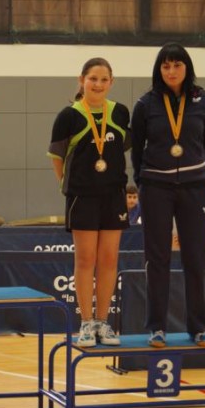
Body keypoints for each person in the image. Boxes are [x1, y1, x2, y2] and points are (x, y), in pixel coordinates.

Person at [130, 43, 205, 348]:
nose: (171, 71)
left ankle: (198, 327)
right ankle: (157, 327)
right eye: (165, 66)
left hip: (194, 188)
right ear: (159, 69)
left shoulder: (203, 100)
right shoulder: (146, 103)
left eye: (177, 65)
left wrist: (196, 171)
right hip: (156, 188)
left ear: (187, 67)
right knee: (158, 259)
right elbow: (137, 147)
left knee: (196, 258)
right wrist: (144, 181)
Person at [47, 57, 130, 347]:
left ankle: (103, 323)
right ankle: (85, 323)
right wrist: (65, 184)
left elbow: (121, 149)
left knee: (108, 260)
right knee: (85, 260)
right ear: (81, 80)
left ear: (111, 83)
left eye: (104, 79)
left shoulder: (120, 113)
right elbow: (57, 157)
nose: (98, 84)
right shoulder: (68, 115)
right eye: (92, 78)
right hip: (81, 197)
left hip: (113, 196)